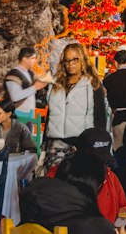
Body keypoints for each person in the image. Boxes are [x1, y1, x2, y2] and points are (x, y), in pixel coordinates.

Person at [43, 43, 108, 171]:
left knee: (77, 184)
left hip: (82, 143)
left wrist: (98, 145)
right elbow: (50, 114)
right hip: (55, 144)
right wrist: (45, 142)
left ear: (82, 60)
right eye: (67, 60)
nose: (70, 63)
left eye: (75, 59)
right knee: (54, 183)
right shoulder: (55, 84)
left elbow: (100, 117)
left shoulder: (93, 84)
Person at [54, 127, 126, 224]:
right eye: (92, 163)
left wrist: (118, 230)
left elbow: (124, 210)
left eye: (103, 162)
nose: (99, 168)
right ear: (74, 152)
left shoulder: (110, 176)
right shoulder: (60, 177)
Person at [3, 46, 49, 122]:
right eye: (32, 58)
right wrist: (35, 87)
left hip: (30, 113)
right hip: (18, 113)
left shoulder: (30, 73)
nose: (35, 61)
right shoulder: (13, 74)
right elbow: (15, 97)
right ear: (24, 59)